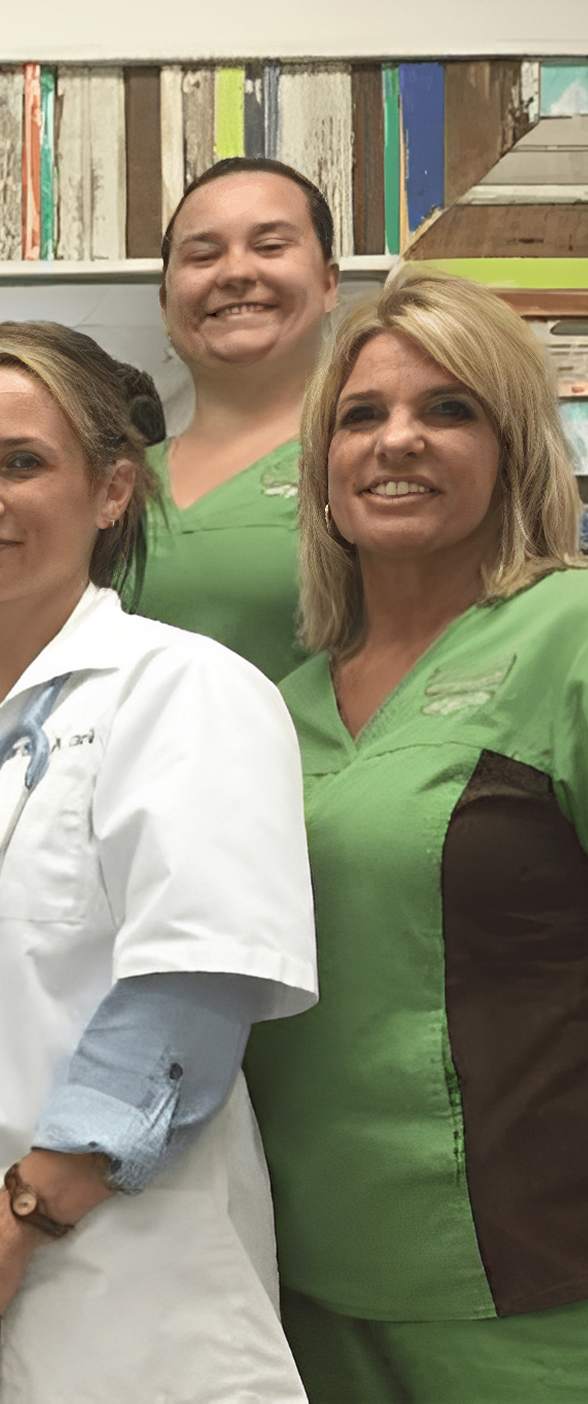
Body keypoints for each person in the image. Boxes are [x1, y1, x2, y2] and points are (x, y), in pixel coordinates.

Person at [0, 321, 318, 1402]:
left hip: (135, 1305)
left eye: (21, 463)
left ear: (111, 490)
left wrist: (8, 1231)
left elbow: (193, 991)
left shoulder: (184, 692)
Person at [241, 269, 588, 1401]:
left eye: (449, 409)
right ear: (321, 471)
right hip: (300, 1281)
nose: (398, 440)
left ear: (513, 450)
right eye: (361, 416)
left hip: (537, 1285)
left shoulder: (569, 636)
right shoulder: (275, 711)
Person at [132, 158, 341, 681]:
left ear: (328, 282)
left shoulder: (374, 460)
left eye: (270, 246)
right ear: (165, 302)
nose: (236, 273)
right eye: (203, 255)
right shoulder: (110, 483)